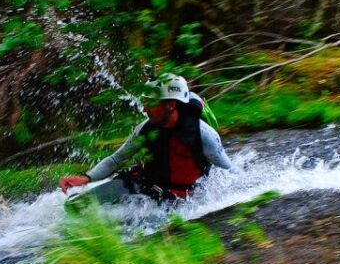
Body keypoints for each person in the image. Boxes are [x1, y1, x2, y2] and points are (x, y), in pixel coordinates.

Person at [59, 73, 232, 204]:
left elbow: (227, 171)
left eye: (150, 103)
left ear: (170, 105)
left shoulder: (203, 135)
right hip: (144, 185)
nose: (144, 110)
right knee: (79, 204)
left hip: (180, 201)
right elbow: (115, 160)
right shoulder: (145, 128)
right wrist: (86, 178)